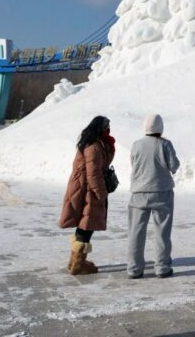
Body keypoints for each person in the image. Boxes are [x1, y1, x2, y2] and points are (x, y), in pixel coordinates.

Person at [58, 115, 116, 275]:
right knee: (87, 225)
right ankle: (78, 264)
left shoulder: (94, 143)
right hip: (88, 192)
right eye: (107, 126)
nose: (109, 129)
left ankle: (75, 261)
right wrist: (101, 193)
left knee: (84, 224)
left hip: (86, 189)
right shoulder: (94, 147)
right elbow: (93, 174)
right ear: (101, 128)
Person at [127, 113, 180, 279]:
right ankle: (162, 267)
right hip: (162, 192)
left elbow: (134, 164)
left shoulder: (136, 144)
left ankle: (134, 268)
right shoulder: (165, 144)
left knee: (136, 231)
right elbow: (174, 166)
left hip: (138, 193)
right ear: (161, 127)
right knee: (162, 231)